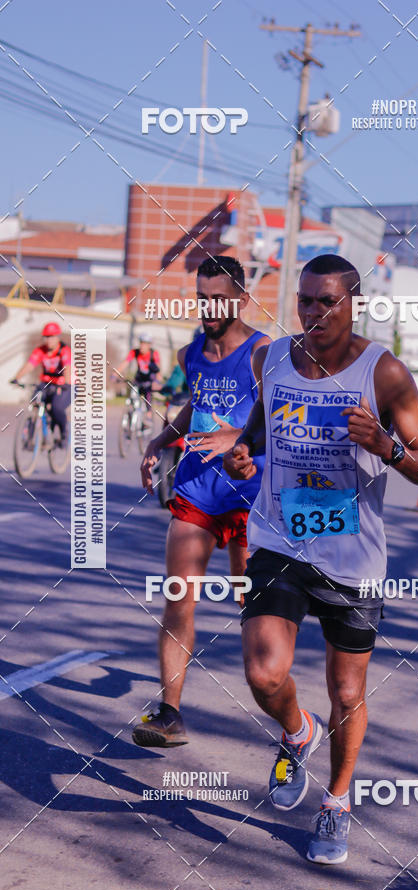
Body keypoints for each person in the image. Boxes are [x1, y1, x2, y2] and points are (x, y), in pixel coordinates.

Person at [223, 253, 418, 865]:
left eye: (328, 301)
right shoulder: (270, 358)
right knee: (264, 673)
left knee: (347, 690)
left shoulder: (384, 373)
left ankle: (338, 804)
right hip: (280, 540)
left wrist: (387, 445)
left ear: (353, 304)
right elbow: (259, 432)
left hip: (352, 557)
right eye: (305, 300)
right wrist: (243, 455)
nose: (314, 312)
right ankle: (297, 731)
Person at [132, 256, 270, 747]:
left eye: (220, 298)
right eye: (203, 297)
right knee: (178, 601)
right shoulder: (192, 353)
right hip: (196, 493)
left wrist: (235, 435)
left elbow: (282, 417)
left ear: (241, 299)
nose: (210, 307)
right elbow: (194, 407)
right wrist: (159, 442)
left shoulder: (263, 352)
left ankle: (283, 712)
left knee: (252, 608)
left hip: (252, 497)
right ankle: (170, 713)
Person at [11, 322, 71, 446]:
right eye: (46, 337)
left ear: (57, 337)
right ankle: (30, 438)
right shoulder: (40, 350)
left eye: (52, 336)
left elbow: (68, 369)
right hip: (46, 383)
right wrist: (16, 378)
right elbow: (30, 365)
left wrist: (64, 384)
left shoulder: (64, 350)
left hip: (65, 384)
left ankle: (64, 433)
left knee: (56, 407)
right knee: (35, 401)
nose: (49, 340)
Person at [114, 333, 161, 429]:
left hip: (149, 378)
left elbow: (158, 369)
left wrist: (157, 380)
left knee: (148, 392)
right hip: (139, 377)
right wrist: (115, 374)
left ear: (149, 345)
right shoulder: (134, 352)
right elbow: (125, 363)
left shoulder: (153, 353)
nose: (142, 346)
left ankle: (148, 416)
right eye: (141, 343)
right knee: (132, 390)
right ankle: (132, 410)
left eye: (145, 344)